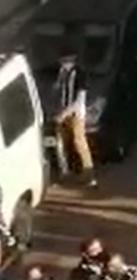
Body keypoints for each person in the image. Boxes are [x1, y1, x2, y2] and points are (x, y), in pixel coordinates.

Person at [51, 52, 95, 186]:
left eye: (64, 62)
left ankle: (89, 175)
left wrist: (64, 114)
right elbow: (58, 89)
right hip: (62, 110)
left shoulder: (80, 75)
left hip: (76, 114)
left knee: (79, 142)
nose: (62, 65)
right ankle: (64, 172)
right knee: (59, 142)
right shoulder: (62, 73)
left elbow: (79, 100)